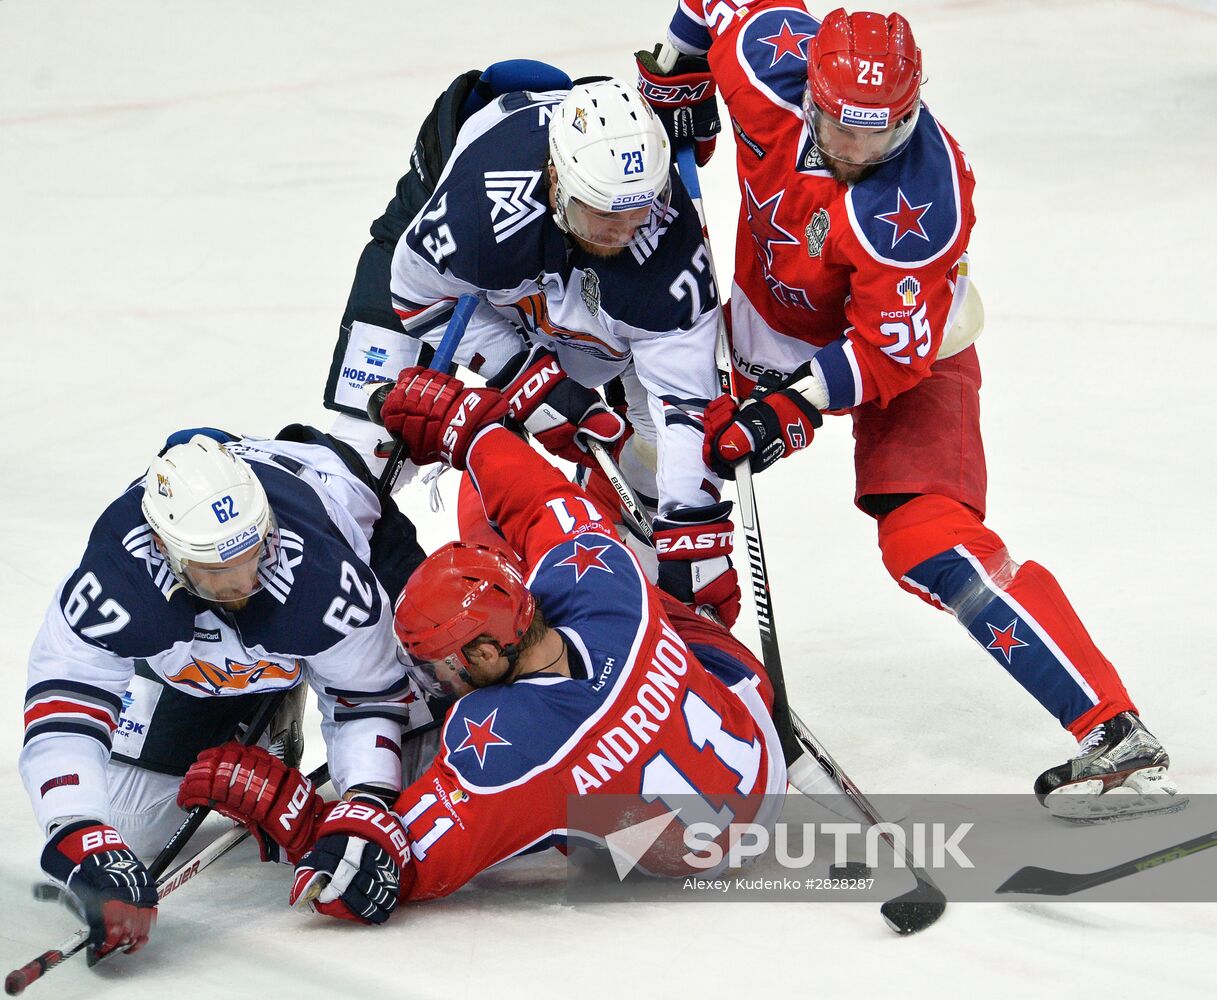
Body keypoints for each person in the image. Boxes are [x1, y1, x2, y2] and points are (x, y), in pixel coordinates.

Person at [635, 3, 1177, 817]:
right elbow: (717, 9)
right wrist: (677, 68)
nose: (857, 154)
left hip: (909, 352)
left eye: (881, 133)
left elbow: (884, 353)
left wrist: (789, 407)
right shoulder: (763, 63)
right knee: (646, 467)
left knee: (927, 538)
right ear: (810, 94)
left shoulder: (922, 197)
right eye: (840, 130)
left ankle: (1112, 730)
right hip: (759, 329)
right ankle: (611, 681)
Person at [273, 368, 786, 923]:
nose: (429, 677)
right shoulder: (606, 577)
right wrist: (472, 433)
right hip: (754, 742)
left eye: (438, 662)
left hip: (676, 862)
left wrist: (294, 817)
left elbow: (380, 869)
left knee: (519, 801)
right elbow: (542, 502)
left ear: (484, 654)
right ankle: (689, 623)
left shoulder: (504, 746)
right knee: (582, 559)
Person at [322, 60, 741, 626]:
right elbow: (419, 298)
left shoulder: (665, 247)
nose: (625, 233)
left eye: (639, 211)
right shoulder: (479, 211)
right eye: (604, 216)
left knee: (655, 462)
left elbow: (688, 406)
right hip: (445, 259)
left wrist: (693, 531)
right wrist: (526, 379)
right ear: (556, 180)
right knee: (366, 455)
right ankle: (334, 617)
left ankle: (628, 603)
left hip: (550, 273)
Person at [20, 426, 432, 957]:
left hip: (348, 527)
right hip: (202, 651)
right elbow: (65, 703)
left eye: (253, 554)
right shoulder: (119, 580)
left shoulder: (322, 575)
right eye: (219, 569)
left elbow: (367, 696)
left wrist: (366, 801)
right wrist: (78, 829)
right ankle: (265, 701)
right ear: (166, 551)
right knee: (128, 826)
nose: (245, 582)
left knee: (420, 785)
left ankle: (292, 669)